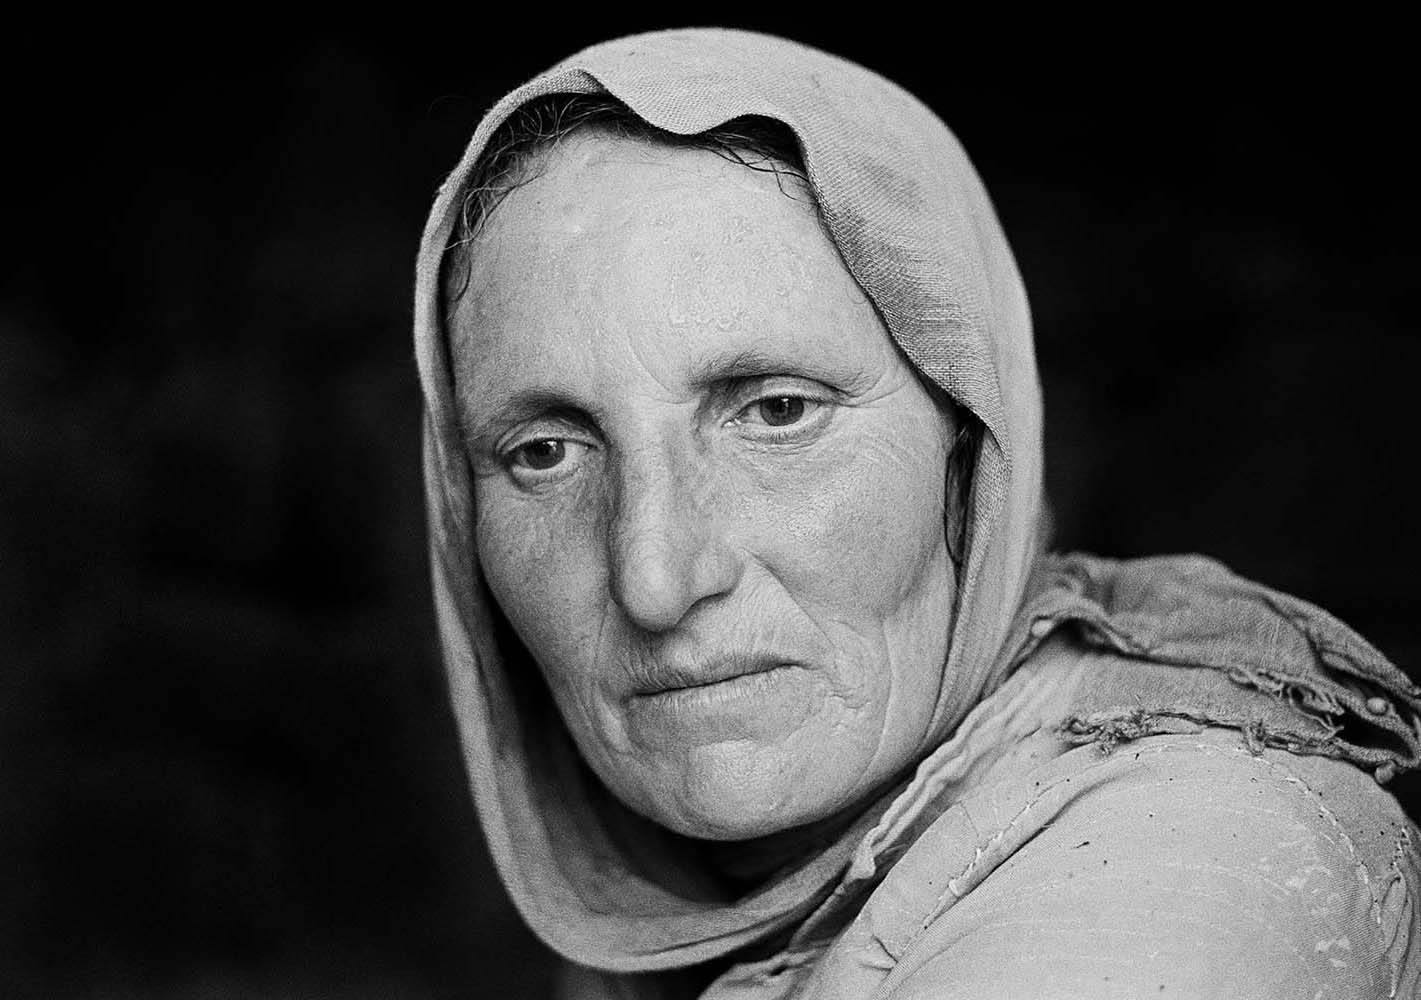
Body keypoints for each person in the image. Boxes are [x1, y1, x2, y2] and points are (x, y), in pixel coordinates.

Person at [412, 28, 1421, 999]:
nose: (654, 577)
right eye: (544, 452)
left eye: (774, 412)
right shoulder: (656, 929)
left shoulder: (1182, 862)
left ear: (970, 449)